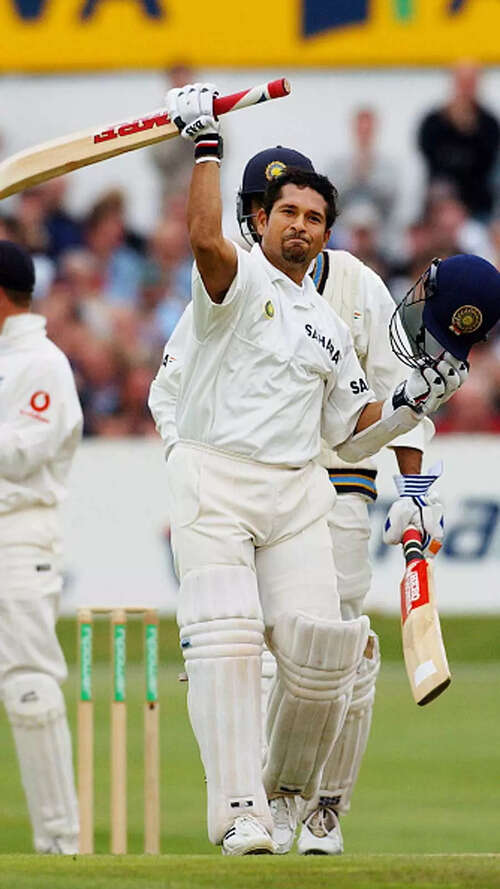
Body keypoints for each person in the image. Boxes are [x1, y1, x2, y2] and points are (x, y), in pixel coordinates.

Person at [149, 82, 465, 856]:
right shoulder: (232, 281)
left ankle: (289, 796)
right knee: (228, 644)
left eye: (314, 216)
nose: (299, 224)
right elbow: (203, 240)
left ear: (327, 230)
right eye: (286, 211)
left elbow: (353, 432)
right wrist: (205, 145)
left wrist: (414, 400)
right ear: (259, 219)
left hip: (299, 488)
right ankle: (239, 812)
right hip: (217, 477)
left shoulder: (330, 322)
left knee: (325, 648)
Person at [0, 241, 82, 853]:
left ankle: (59, 841)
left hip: (18, 533)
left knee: (29, 684)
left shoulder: (42, 363)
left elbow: (23, 453)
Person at [417, 61, 500, 220]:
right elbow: (430, 158)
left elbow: (487, 163)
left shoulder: (489, 123)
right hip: (440, 206)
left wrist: (470, 130)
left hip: (478, 206)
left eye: (471, 82)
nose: (466, 88)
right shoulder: (433, 121)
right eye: (462, 82)